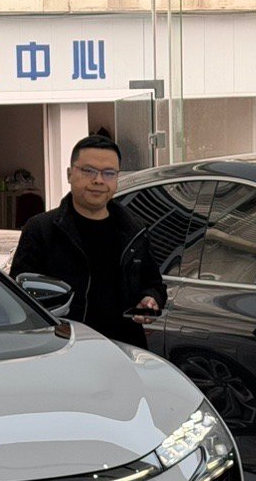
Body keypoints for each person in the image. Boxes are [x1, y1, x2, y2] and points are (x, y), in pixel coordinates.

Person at [10, 135, 166, 347]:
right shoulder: (41, 229)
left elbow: (154, 284)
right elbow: (20, 295)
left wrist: (150, 299)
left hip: (123, 349)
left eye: (109, 173)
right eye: (89, 171)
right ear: (69, 174)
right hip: (64, 347)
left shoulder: (134, 230)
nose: (99, 180)